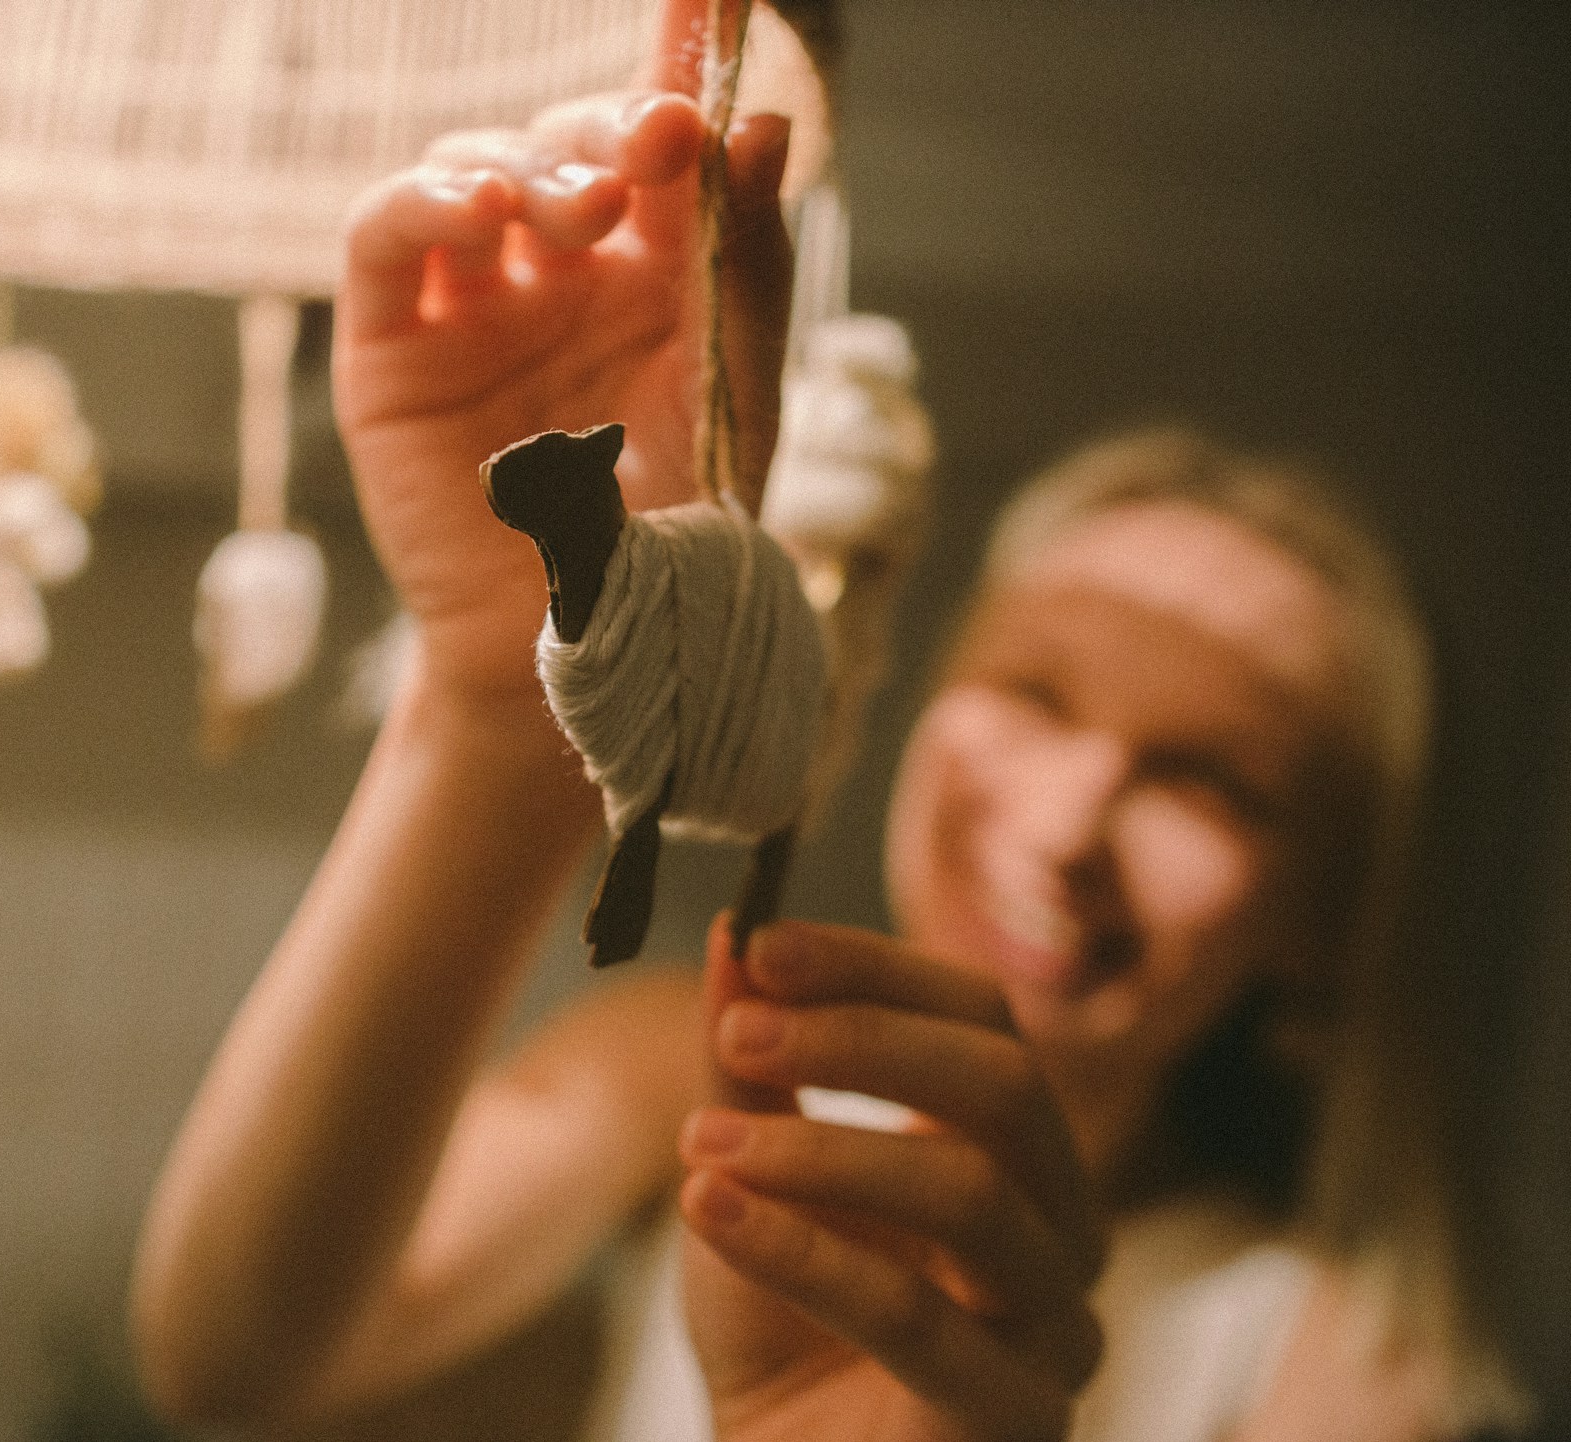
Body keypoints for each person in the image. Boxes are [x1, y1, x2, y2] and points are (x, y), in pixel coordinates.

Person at [128, 4, 1526, 1437]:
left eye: (1209, 781)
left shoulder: (1345, 1361)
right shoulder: (696, 1077)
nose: (1066, 825)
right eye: (1033, 692)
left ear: (1320, 912)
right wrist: (500, 697)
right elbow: (236, 1362)